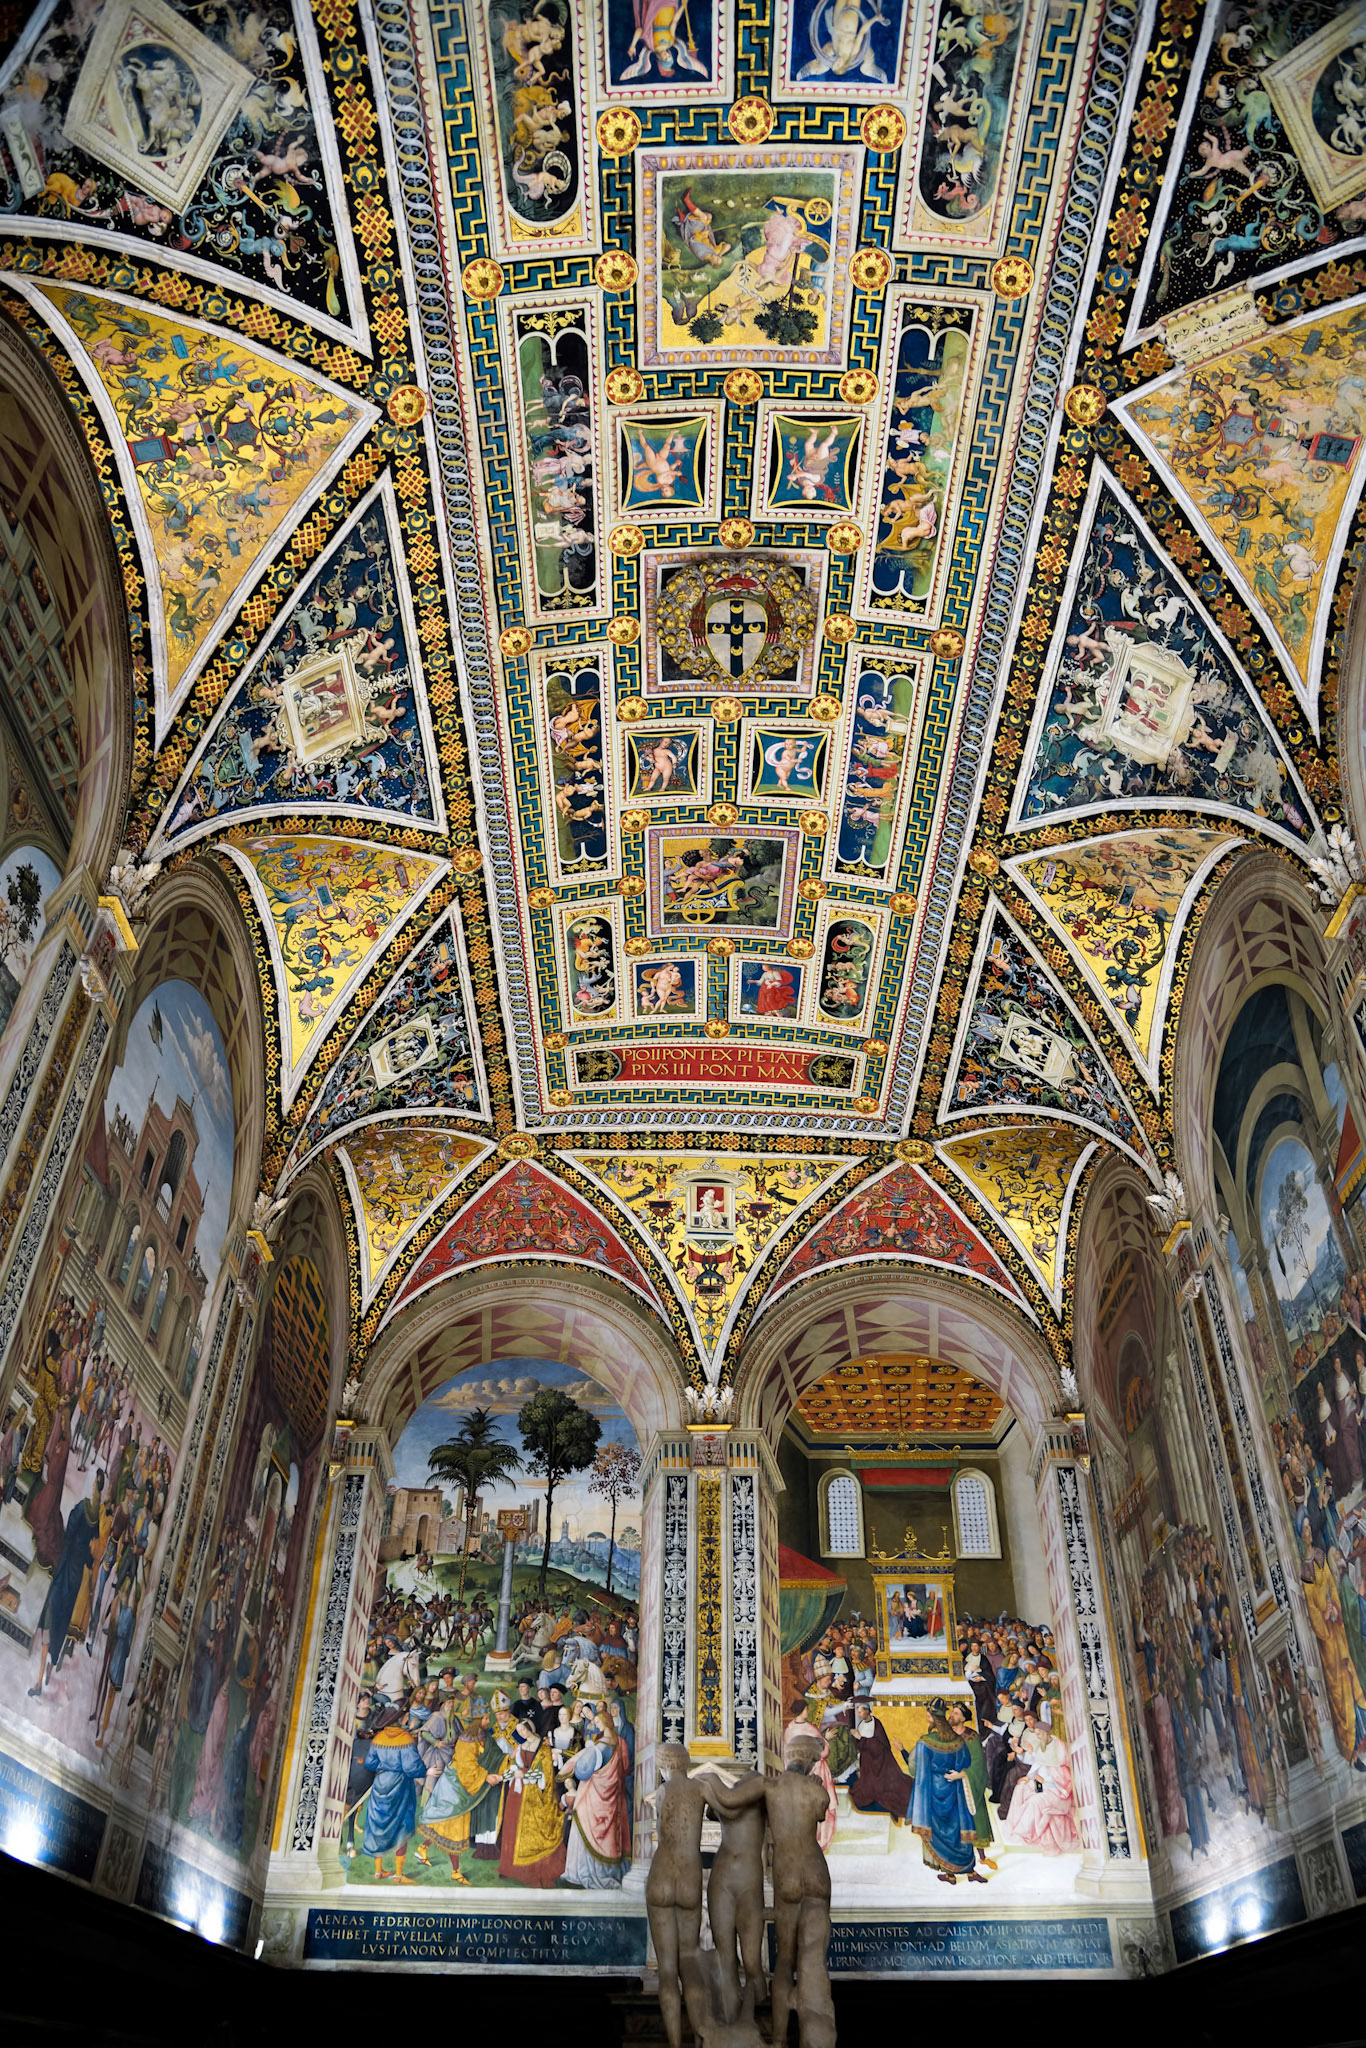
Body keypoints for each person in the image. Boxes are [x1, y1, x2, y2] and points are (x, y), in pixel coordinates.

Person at [645, 1744, 710, 2048]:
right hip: (688, 1876)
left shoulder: (661, 1792)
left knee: (667, 1970)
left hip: (660, 1874)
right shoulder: (699, 1789)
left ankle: (674, 2044)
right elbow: (731, 1806)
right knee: (690, 1960)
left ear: (664, 1765)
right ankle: (700, 2036)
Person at [29, 1472, 103, 1697]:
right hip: (76, 1576)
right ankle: (48, 1673)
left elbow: (69, 1534)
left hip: (64, 1569)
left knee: (49, 1620)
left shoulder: (82, 1508)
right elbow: (91, 1553)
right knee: (60, 1625)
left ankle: (40, 1681)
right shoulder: (96, 1516)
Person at [910, 1698, 984, 1884]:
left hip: (933, 1791)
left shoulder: (925, 1742)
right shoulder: (958, 1741)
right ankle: (969, 1872)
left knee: (940, 1832)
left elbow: (916, 1770)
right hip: (954, 1790)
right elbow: (965, 1763)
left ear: (934, 1719)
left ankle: (950, 1874)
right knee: (959, 1828)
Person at [360, 1710, 428, 1880]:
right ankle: (398, 1874)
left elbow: (370, 1763)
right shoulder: (405, 1739)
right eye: (406, 1716)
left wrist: (385, 1765)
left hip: (380, 1785)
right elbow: (413, 1768)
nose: (407, 1718)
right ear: (401, 1719)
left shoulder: (378, 1738)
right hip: (400, 1787)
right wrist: (425, 1770)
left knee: (377, 1826)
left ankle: (378, 1871)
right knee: (401, 1826)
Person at [847, 1701, 913, 1821]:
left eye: (860, 1711)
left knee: (887, 1790)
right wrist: (859, 1740)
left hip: (879, 1763)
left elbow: (879, 1747)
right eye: (858, 1711)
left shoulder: (876, 1724)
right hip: (868, 1762)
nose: (858, 1714)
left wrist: (861, 1738)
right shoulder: (861, 1724)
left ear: (867, 1711)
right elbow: (861, 1744)